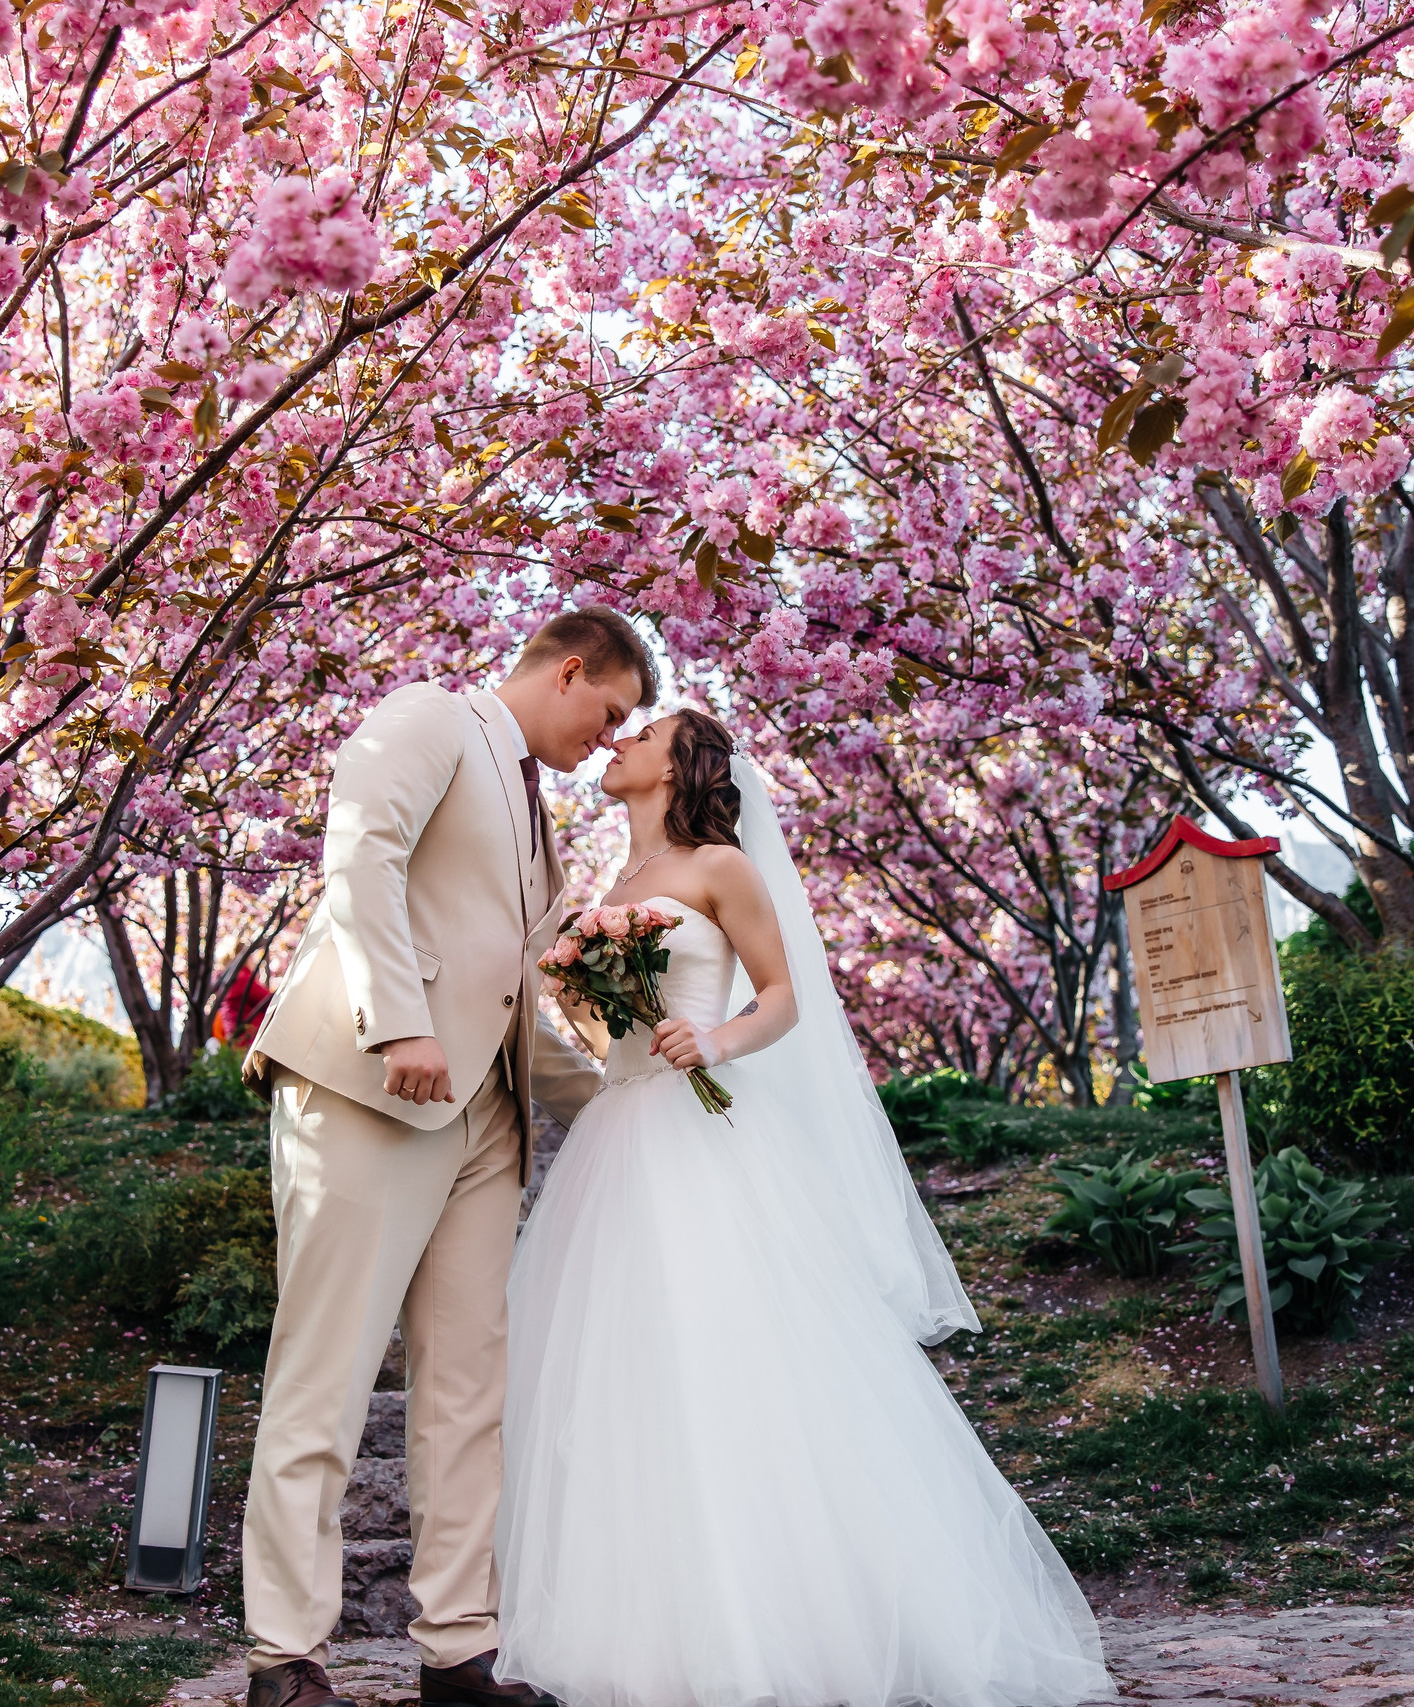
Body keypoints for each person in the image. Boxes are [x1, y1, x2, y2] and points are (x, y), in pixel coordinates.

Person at [496, 707, 1114, 1707]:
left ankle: (786, 1628)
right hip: (617, 1137)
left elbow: (785, 993)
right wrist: (591, 998)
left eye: (643, 733)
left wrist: (716, 1041)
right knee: (623, 1377)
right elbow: (611, 1029)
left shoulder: (720, 867)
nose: (618, 740)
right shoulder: (608, 889)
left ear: (682, 765)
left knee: (729, 1362)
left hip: (699, 1139)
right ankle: (648, 1635)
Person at [237, 609, 650, 1707]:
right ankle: (285, 1657)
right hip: (370, 1086)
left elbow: (513, 991)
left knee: (469, 1394)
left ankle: (458, 1649)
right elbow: (359, 853)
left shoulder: (535, 817)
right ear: (569, 671)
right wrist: (396, 1021)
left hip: (487, 1123)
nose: (609, 738)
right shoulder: (428, 717)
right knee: (323, 1376)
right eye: (609, 710)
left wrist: (618, 1098)